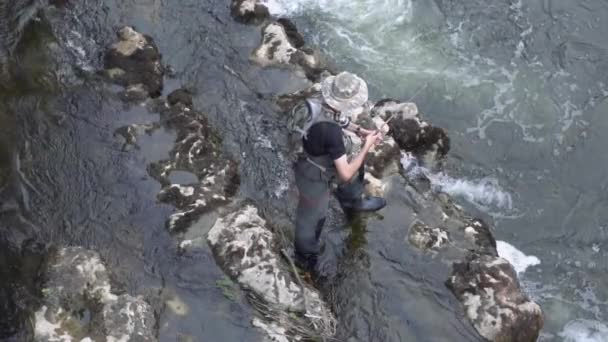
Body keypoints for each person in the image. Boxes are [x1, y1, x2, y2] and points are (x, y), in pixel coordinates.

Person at [291, 71, 387, 272]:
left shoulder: (318, 102)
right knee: (312, 218)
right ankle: (304, 257)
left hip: (315, 151)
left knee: (354, 158)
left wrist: (361, 132)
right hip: (312, 174)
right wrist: (367, 146)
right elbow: (344, 173)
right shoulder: (331, 133)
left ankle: (352, 201)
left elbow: (339, 119)